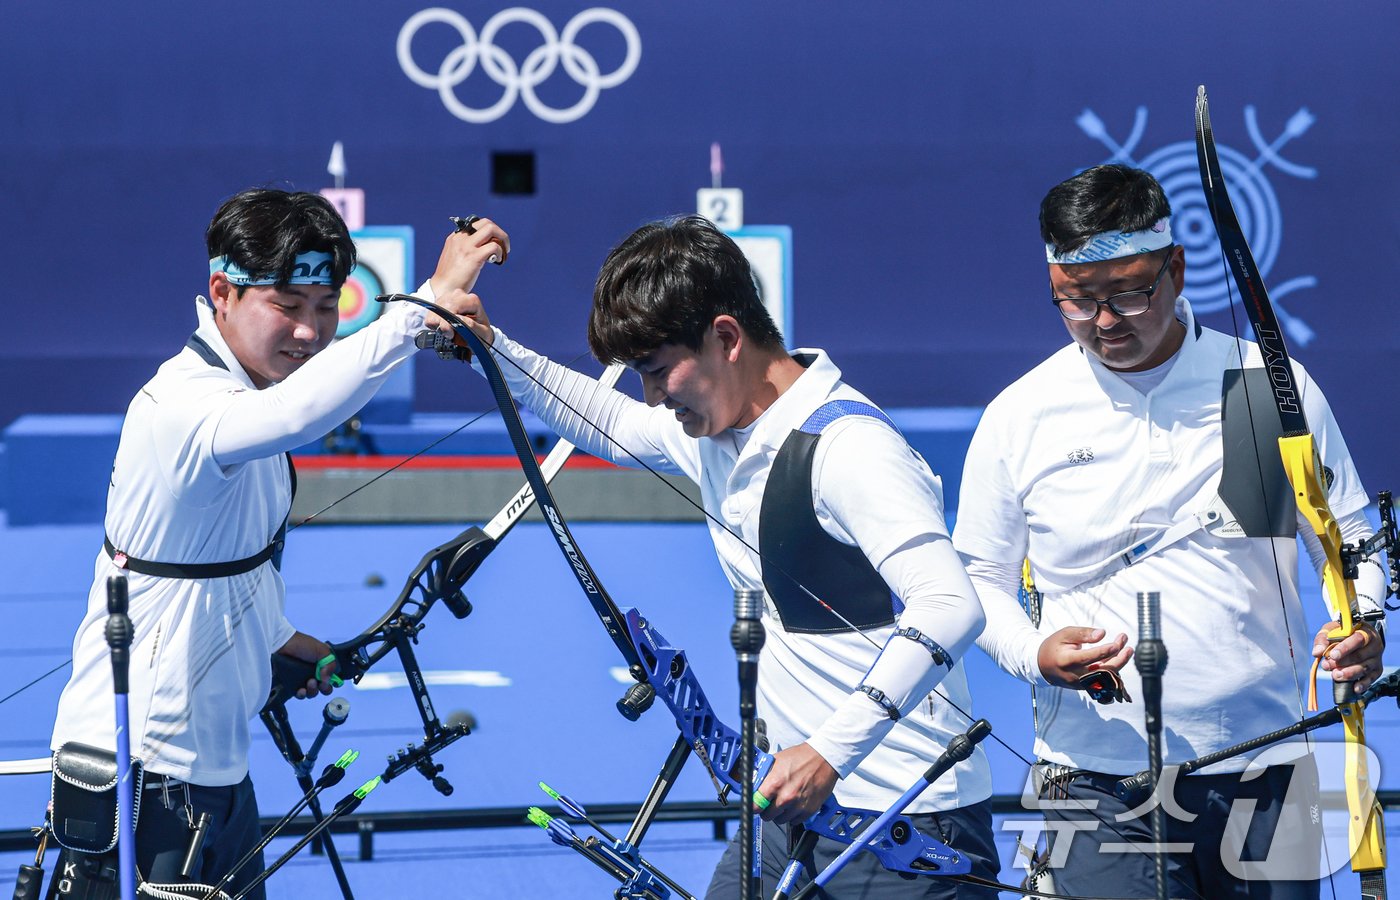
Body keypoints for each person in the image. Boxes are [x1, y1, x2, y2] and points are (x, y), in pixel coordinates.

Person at [428, 215, 998, 898]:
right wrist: (493, 350)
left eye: (658, 371)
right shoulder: (718, 429)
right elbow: (612, 424)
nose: (651, 396)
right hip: (795, 807)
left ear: (727, 337)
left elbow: (951, 605)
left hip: (907, 825)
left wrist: (829, 753)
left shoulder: (849, 449)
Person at [47, 189, 506, 896]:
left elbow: (234, 568)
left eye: (327, 309)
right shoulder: (183, 406)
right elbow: (298, 413)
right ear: (222, 292)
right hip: (143, 772)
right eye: (287, 307)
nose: (309, 332)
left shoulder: (250, 398)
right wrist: (425, 306)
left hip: (217, 774)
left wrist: (287, 645)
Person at [953, 164, 1388, 898]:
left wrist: (1362, 623)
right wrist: (1033, 652)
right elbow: (977, 581)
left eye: (1129, 292)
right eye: (1076, 300)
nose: (1105, 320)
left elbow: (1348, 543)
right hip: (1091, 780)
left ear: (1177, 268)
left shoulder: (1263, 387)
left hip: (1263, 766)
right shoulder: (1020, 414)